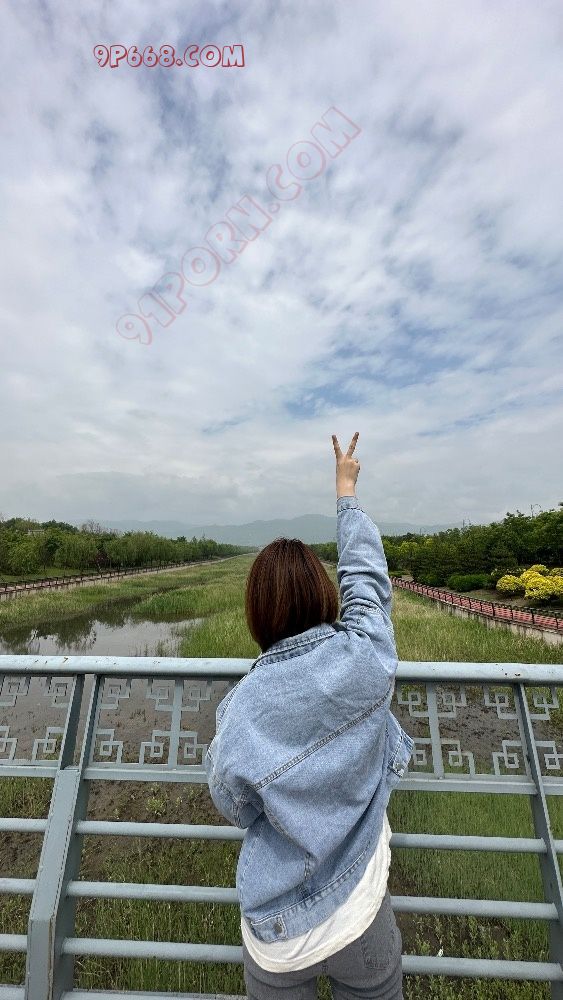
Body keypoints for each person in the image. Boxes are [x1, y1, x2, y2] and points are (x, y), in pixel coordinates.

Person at [203, 432, 415, 999]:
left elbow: (233, 804)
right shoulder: (364, 657)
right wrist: (346, 492)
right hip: (360, 913)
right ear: (324, 594)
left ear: (257, 611)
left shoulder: (241, 706)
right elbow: (367, 582)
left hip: (277, 935)